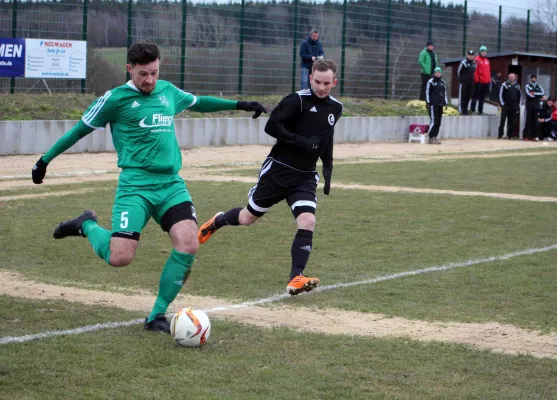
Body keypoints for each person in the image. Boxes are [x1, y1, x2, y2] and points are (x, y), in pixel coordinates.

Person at [30, 40, 267, 334]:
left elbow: (198, 103)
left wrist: (240, 104)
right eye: (143, 74)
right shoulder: (114, 100)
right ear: (130, 69)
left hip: (170, 185)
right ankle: (86, 225)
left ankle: (156, 316)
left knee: (188, 243)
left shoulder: (168, 92)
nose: (150, 80)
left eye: (154, 72)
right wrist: (44, 160)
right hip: (136, 188)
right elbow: (80, 130)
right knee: (120, 257)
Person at [197, 59, 343, 295]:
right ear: (310, 78)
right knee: (247, 218)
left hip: (305, 176)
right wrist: (300, 142)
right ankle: (218, 220)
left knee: (307, 221)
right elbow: (272, 126)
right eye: (317, 81)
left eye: (327, 83)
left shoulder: (336, 108)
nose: (322, 87)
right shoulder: (297, 100)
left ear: (334, 82)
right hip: (278, 170)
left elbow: (327, 136)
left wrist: (328, 166)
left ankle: (296, 277)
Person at [425, 67, 447, 144]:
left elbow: (445, 93)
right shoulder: (431, 82)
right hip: (433, 104)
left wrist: (445, 102)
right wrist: (428, 102)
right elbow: (427, 92)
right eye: (436, 72)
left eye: (439, 72)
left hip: (440, 104)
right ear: (434, 73)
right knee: (434, 121)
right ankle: (430, 137)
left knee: (438, 122)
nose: (437, 74)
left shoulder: (443, 82)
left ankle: (435, 136)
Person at [498, 72, 521, 139]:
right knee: (502, 120)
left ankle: (510, 135)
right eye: (510, 77)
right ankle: (500, 135)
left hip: (514, 106)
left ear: (514, 78)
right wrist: (503, 104)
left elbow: (519, 96)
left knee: (512, 122)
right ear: (508, 77)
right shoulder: (504, 84)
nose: (511, 78)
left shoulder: (517, 85)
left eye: (512, 77)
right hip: (506, 106)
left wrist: (518, 105)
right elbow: (500, 95)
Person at [523, 74, 545, 141]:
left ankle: (533, 136)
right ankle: (525, 136)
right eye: (532, 78)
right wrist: (536, 95)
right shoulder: (527, 86)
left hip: (536, 106)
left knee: (534, 122)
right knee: (528, 121)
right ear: (530, 79)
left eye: (534, 78)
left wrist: (533, 93)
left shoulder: (539, 86)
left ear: (536, 79)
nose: (533, 79)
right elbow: (529, 95)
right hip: (529, 106)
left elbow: (542, 93)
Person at [472, 46, 491, 115]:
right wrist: (477, 80)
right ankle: (473, 109)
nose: (484, 53)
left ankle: (480, 111)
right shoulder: (476, 59)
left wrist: (488, 80)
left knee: (482, 98)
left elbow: (488, 71)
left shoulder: (487, 61)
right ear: (480, 52)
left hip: (485, 82)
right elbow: (475, 71)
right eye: (482, 51)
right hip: (479, 82)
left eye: (485, 51)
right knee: (475, 96)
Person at [457, 50, 477, 115]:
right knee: (462, 96)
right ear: (467, 55)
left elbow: (474, 72)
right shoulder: (464, 62)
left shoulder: (474, 63)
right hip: (463, 83)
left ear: (473, 56)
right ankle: (461, 109)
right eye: (469, 55)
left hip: (471, 83)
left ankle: (465, 109)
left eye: (472, 55)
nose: (470, 56)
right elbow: (458, 72)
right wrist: (461, 80)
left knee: (468, 96)